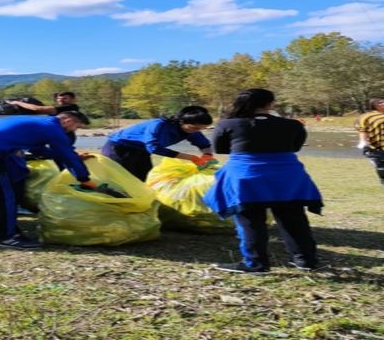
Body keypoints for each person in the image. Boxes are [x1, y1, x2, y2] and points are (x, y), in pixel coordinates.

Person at [202, 88, 323, 274]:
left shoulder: (227, 124)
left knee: (250, 221)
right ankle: (307, 261)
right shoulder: (293, 125)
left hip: (246, 177)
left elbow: (221, 148)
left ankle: (256, 264)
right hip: (288, 176)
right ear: (270, 104)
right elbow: (295, 147)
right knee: (294, 220)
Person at [0, 111, 94, 249]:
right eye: (76, 127)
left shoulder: (37, 123)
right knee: (3, 195)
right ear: (67, 120)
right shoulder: (53, 129)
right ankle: (10, 237)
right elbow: (66, 154)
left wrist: (73, 156)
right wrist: (84, 179)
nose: (74, 131)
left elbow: (39, 150)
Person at [101, 106, 214, 181]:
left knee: (145, 178)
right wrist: (192, 157)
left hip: (141, 151)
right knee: (123, 179)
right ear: (182, 121)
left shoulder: (191, 130)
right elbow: (154, 147)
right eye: (194, 127)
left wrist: (207, 156)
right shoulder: (158, 124)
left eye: (201, 128)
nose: (197, 130)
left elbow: (204, 144)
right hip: (118, 148)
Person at [6, 91, 80, 115]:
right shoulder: (69, 107)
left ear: (73, 99)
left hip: (63, 134)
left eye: (65, 98)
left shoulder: (68, 107)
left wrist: (18, 103)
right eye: (58, 98)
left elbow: (37, 109)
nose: (60, 100)